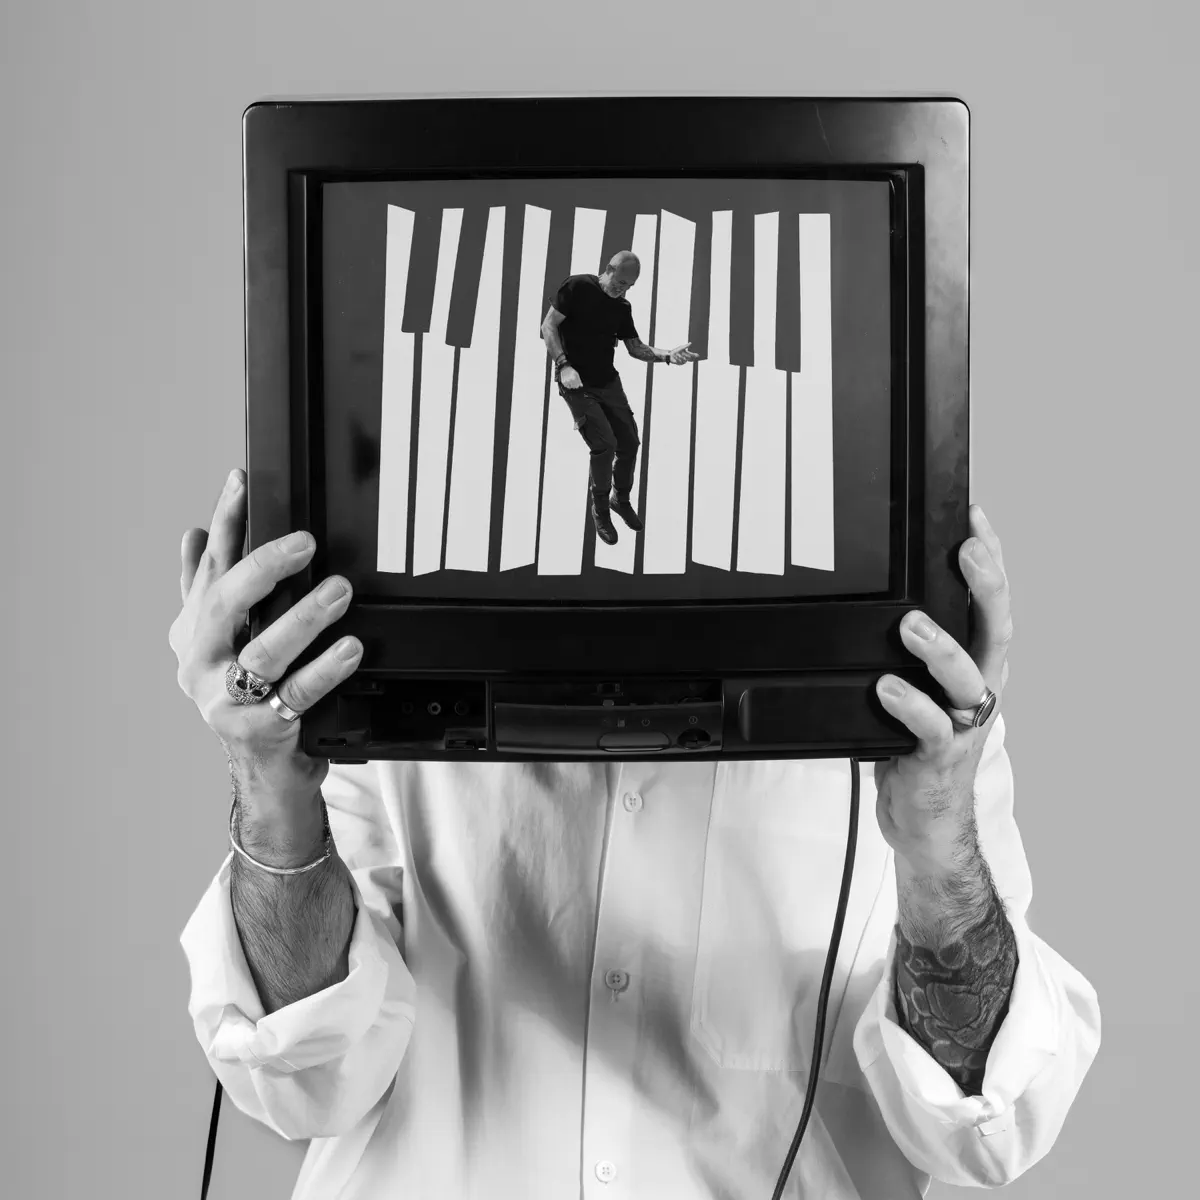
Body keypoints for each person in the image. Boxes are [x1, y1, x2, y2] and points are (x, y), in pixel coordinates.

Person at [174, 468, 1101, 1200]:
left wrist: (935, 837)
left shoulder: (918, 728)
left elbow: (986, 1123)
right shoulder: (385, 672)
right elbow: (309, 1073)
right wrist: (269, 780)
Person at [541, 250, 700, 545]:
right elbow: (548, 326)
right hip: (576, 382)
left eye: (629, 286)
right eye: (620, 282)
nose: (622, 289)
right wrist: (564, 365)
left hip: (608, 382)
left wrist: (668, 355)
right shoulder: (577, 286)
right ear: (608, 269)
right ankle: (600, 509)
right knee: (605, 445)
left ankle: (620, 500)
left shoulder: (621, 307)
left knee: (630, 442)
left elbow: (636, 348)